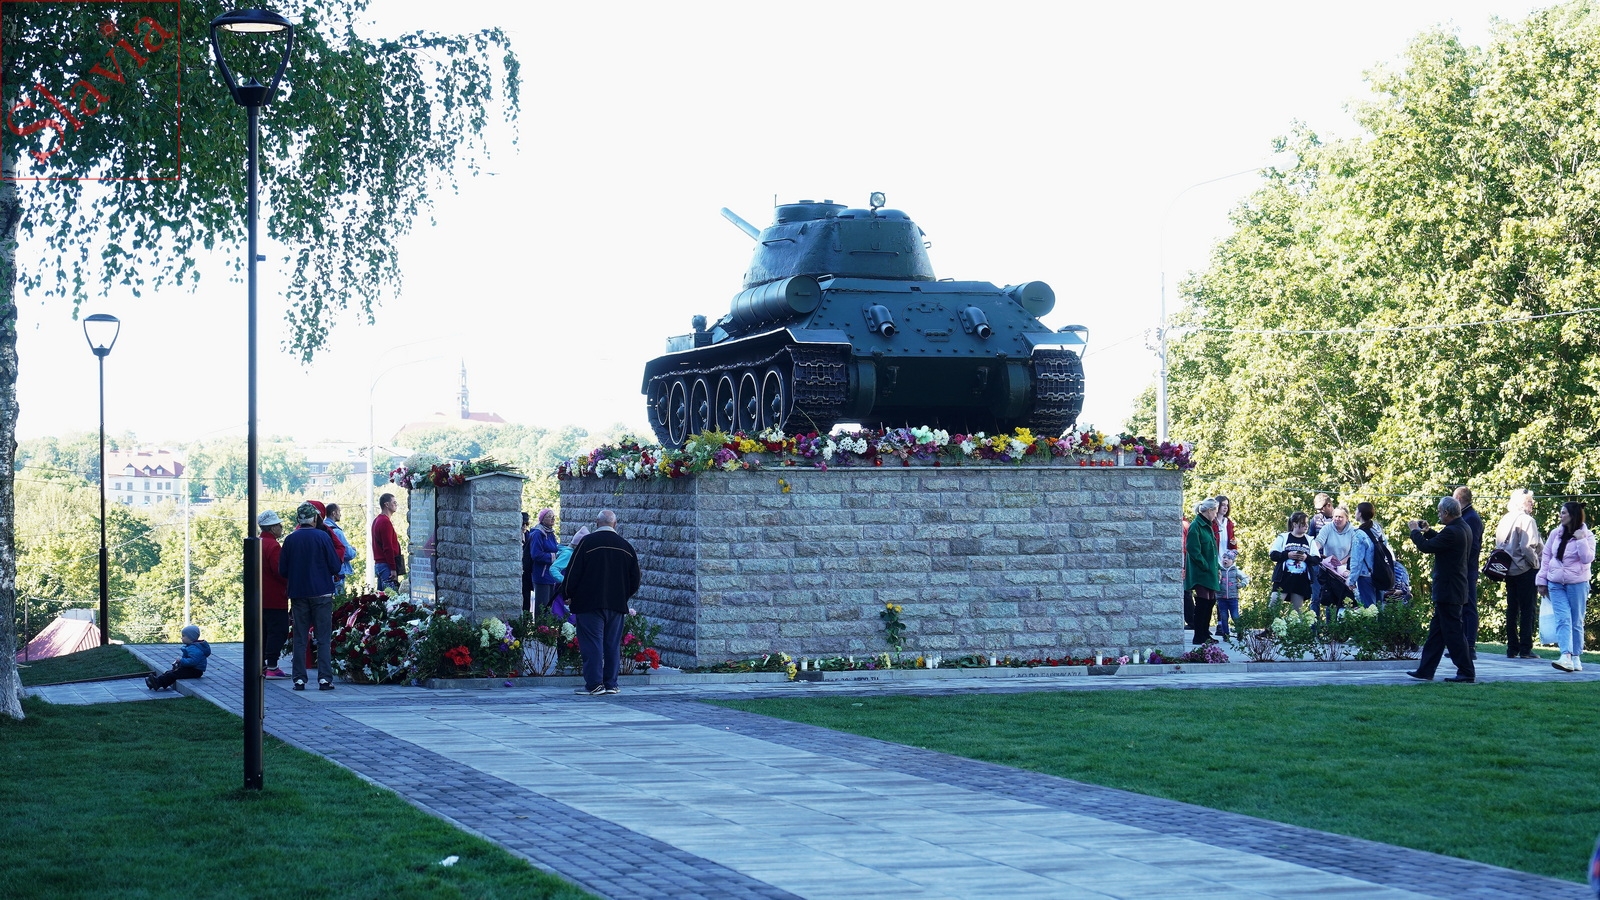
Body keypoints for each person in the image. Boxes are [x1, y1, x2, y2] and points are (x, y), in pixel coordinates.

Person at [560, 510, 641, 695]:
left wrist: (567, 593)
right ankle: (611, 683)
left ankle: (595, 684)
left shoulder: (587, 543)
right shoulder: (626, 546)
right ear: (615, 524)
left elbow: (573, 572)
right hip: (616, 604)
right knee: (612, 644)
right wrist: (623, 595)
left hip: (589, 603)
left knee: (592, 643)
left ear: (597, 522)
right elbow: (635, 578)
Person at [1405, 496, 1476, 683]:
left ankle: (1466, 672)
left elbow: (1426, 547)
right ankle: (1425, 670)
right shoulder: (1462, 527)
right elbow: (1441, 542)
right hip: (1454, 589)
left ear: (1446, 512)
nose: (1438, 515)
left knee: (1454, 634)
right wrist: (1428, 531)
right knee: (1436, 635)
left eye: (1439, 512)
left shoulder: (1452, 531)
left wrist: (1415, 532)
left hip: (1449, 590)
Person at [280, 501, 343, 691]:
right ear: (315, 518)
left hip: (298, 593)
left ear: (299, 519)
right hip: (322, 593)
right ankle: (324, 679)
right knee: (323, 638)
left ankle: (299, 679)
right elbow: (335, 565)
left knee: (300, 637)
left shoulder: (290, 539)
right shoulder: (323, 537)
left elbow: (283, 570)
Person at [1537, 500, 1594, 673]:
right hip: (1555, 583)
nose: (1560, 516)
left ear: (1573, 515)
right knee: (1563, 619)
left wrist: (1581, 540)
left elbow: (1587, 558)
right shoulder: (1556, 533)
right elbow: (1546, 556)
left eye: (1563, 513)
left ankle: (1576, 656)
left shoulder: (1587, 535)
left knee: (1576, 620)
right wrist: (1541, 580)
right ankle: (1565, 656)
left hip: (1577, 583)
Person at [1495, 489, 1544, 660]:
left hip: (1508, 569)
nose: (1532, 504)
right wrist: (1536, 564)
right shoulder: (1527, 520)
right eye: (1530, 501)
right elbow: (1527, 546)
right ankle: (1525, 648)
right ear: (1522, 503)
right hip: (1524, 569)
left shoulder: (1505, 519)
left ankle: (1511, 648)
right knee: (1528, 609)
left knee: (1512, 609)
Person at [1313, 506, 1367, 628]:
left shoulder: (1353, 531)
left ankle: (1343, 628)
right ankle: (1329, 628)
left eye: (1340, 517)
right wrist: (1314, 550)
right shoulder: (1327, 528)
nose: (1337, 519)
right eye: (1335, 516)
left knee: (1345, 600)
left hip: (1344, 570)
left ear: (1346, 518)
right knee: (1329, 600)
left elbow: (1353, 551)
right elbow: (1319, 541)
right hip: (1328, 569)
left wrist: (1341, 562)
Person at [258, 510, 291, 678]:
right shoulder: (273, 546)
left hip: (259, 597)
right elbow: (280, 571)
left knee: (263, 631)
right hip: (275, 596)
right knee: (278, 630)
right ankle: (272, 665)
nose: (281, 527)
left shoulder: (258, 542)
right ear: (272, 528)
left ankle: (262, 664)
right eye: (279, 525)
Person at [1184, 498, 1221, 644]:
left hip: (1210, 570)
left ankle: (1205, 633)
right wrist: (1205, 565)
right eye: (1215, 511)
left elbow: (1213, 551)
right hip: (1200, 571)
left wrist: (1216, 568)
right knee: (1203, 600)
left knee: (1211, 600)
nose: (1216, 514)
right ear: (1209, 510)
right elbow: (1193, 549)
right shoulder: (1196, 526)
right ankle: (1199, 635)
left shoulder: (1208, 526)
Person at [1453, 486, 1484, 658]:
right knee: (1461, 607)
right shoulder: (1466, 516)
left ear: (1458, 499)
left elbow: (1473, 546)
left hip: (1467, 569)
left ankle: (1469, 645)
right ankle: (1462, 645)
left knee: (1469, 606)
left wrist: (1463, 564)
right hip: (1464, 569)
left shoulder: (1471, 518)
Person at [1269, 512, 1321, 611]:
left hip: (1300, 581)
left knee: (1297, 612)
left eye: (1307, 523)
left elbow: (1316, 559)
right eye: (1303, 523)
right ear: (1295, 524)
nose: (1306, 526)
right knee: (1273, 606)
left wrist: (1306, 557)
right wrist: (1287, 555)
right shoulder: (1283, 537)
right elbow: (1273, 555)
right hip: (1283, 578)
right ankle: (1270, 622)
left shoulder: (1309, 540)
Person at [146, 624, 210, 690]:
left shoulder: (194, 649)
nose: (181, 638)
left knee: (173, 674)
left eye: (183, 636)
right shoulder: (191, 647)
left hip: (195, 671)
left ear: (191, 638)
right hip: (191, 669)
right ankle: (154, 682)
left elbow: (193, 661)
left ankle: (158, 683)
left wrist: (181, 661)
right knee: (170, 672)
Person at [1352, 502, 1387, 609]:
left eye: (1356, 510)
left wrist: (1351, 580)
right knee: (1379, 608)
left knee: (1369, 610)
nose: (1355, 512)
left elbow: (1356, 560)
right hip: (1380, 573)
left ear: (1360, 514)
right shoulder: (1379, 531)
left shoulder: (1360, 534)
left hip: (1365, 576)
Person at [527, 507, 561, 615]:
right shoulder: (538, 534)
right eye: (549, 517)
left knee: (549, 608)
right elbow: (536, 554)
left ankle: (548, 626)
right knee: (542, 608)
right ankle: (540, 626)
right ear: (542, 519)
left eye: (553, 516)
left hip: (550, 576)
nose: (553, 519)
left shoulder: (550, 533)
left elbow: (555, 547)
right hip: (542, 576)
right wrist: (554, 556)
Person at [324, 503, 358, 596]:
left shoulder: (321, 529)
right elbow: (347, 553)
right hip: (337, 573)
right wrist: (353, 550)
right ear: (334, 513)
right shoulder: (337, 532)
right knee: (339, 600)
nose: (340, 514)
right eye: (339, 511)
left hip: (324, 572)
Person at [371, 492, 403, 591]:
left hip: (380, 564)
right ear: (386, 504)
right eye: (394, 502)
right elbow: (388, 547)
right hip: (386, 565)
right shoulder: (385, 522)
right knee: (390, 595)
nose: (396, 505)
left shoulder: (377, 520)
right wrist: (393, 568)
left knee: (382, 596)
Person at [1216, 549, 1249, 640]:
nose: (1225, 560)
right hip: (1221, 598)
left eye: (1229, 558)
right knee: (1223, 616)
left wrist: (1242, 584)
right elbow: (1216, 580)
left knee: (1235, 616)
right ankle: (1225, 634)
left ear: (1233, 561)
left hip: (1233, 598)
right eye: (1224, 557)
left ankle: (1240, 632)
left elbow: (1245, 578)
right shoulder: (1219, 570)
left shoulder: (1235, 570)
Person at [1213, 495, 1238, 566]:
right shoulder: (1212, 523)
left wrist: (1234, 544)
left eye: (1227, 505)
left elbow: (1232, 545)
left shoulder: (1229, 523)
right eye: (1223, 505)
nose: (1225, 507)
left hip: (1227, 563)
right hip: (1215, 562)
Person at [521, 512, 534, 610]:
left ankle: (526, 616)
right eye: (522, 524)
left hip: (527, 573)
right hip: (518, 572)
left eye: (526, 524)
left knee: (526, 598)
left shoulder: (529, 536)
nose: (524, 526)